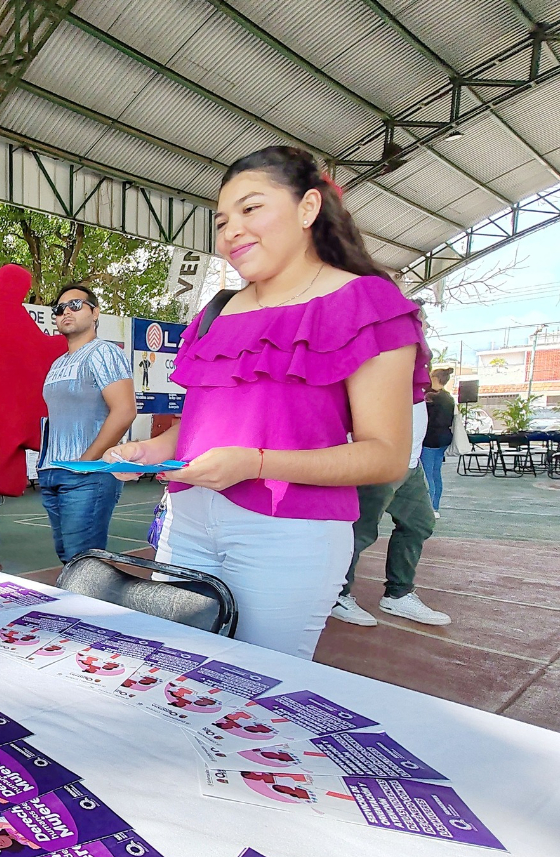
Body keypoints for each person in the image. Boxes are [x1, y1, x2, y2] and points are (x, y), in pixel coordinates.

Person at [105, 146, 428, 658]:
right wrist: (147, 451)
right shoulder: (217, 311)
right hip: (185, 523)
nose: (232, 229)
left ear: (308, 209)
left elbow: (386, 454)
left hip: (287, 535)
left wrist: (254, 464)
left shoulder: (367, 305)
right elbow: (196, 425)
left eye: (251, 209)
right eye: (222, 220)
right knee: (173, 673)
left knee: (258, 692)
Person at [37, 283, 136, 563]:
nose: (66, 311)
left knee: (83, 563)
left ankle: (98, 606)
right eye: (59, 309)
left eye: (75, 305)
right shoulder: (57, 364)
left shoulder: (104, 352)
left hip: (88, 473)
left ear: (95, 313)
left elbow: (125, 410)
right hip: (52, 472)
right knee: (69, 559)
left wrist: (86, 461)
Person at [331, 403, 452, 628]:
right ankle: (336, 595)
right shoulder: (390, 366)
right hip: (379, 462)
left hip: (410, 462)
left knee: (419, 523)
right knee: (360, 532)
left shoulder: (416, 371)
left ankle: (398, 594)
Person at [422, 366, 455, 518]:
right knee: (436, 473)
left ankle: (429, 508)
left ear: (435, 379)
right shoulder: (448, 398)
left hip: (430, 439)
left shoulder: (430, 398)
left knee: (427, 474)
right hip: (444, 439)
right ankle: (435, 506)